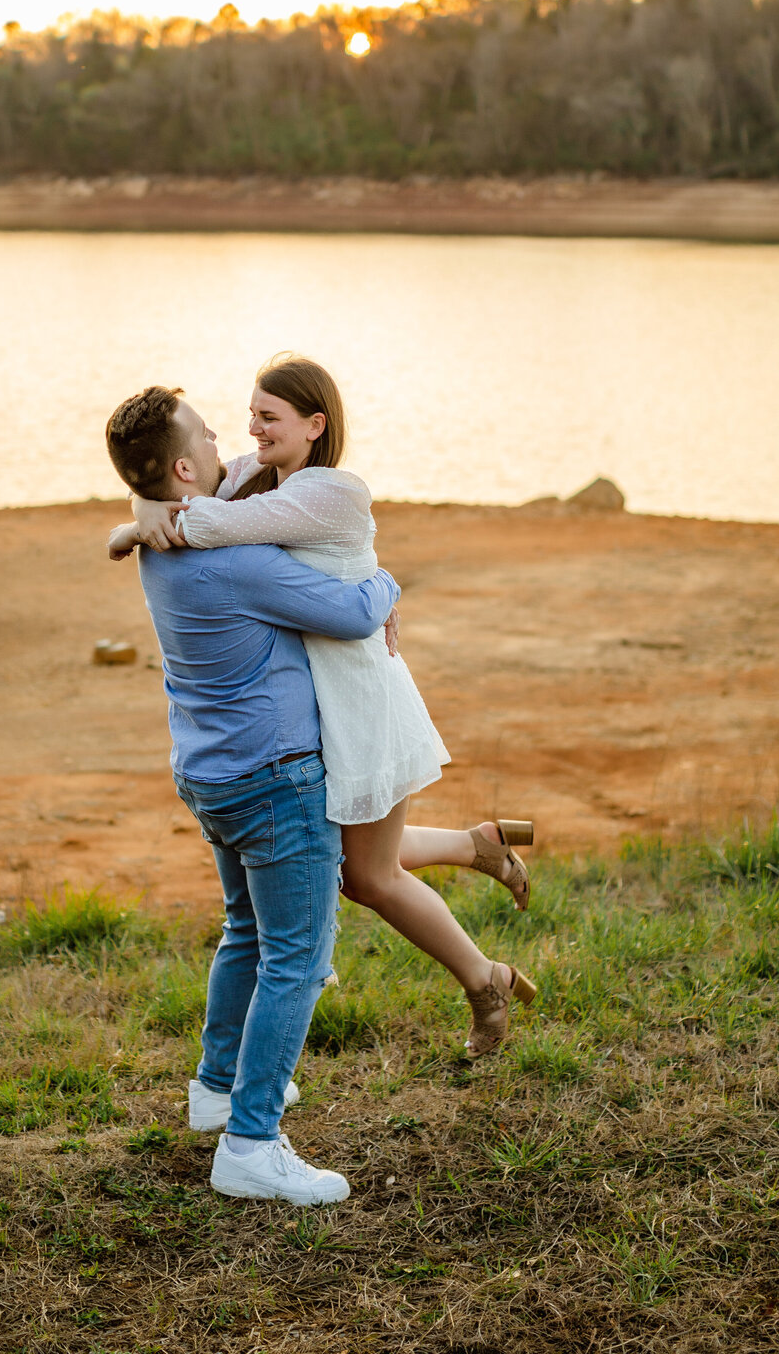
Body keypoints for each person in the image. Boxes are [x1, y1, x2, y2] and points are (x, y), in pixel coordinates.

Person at [109, 356, 536, 1060]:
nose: (250, 430)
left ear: (317, 425)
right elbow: (189, 487)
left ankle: (484, 981)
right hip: (316, 707)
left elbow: (205, 524)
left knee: (365, 876)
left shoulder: (331, 492)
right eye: (250, 416)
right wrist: (145, 504)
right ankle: (475, 847)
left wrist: (150, 515)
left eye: (269, 417)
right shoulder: (253, 475)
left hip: (359, 694)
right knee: (347, 863)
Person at [105, 382, 400, 1205]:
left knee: (246, 930)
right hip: (272, 777)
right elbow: (348, 612)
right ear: (186, 468)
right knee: (297, 960)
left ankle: (216, 1086)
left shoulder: (162, 540)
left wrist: (139, 502)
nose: (228, 441)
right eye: (207, 434)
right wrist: (391, 587)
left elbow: (181, 489)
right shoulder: (235, 560)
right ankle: (251, 1142)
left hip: (208, 771)